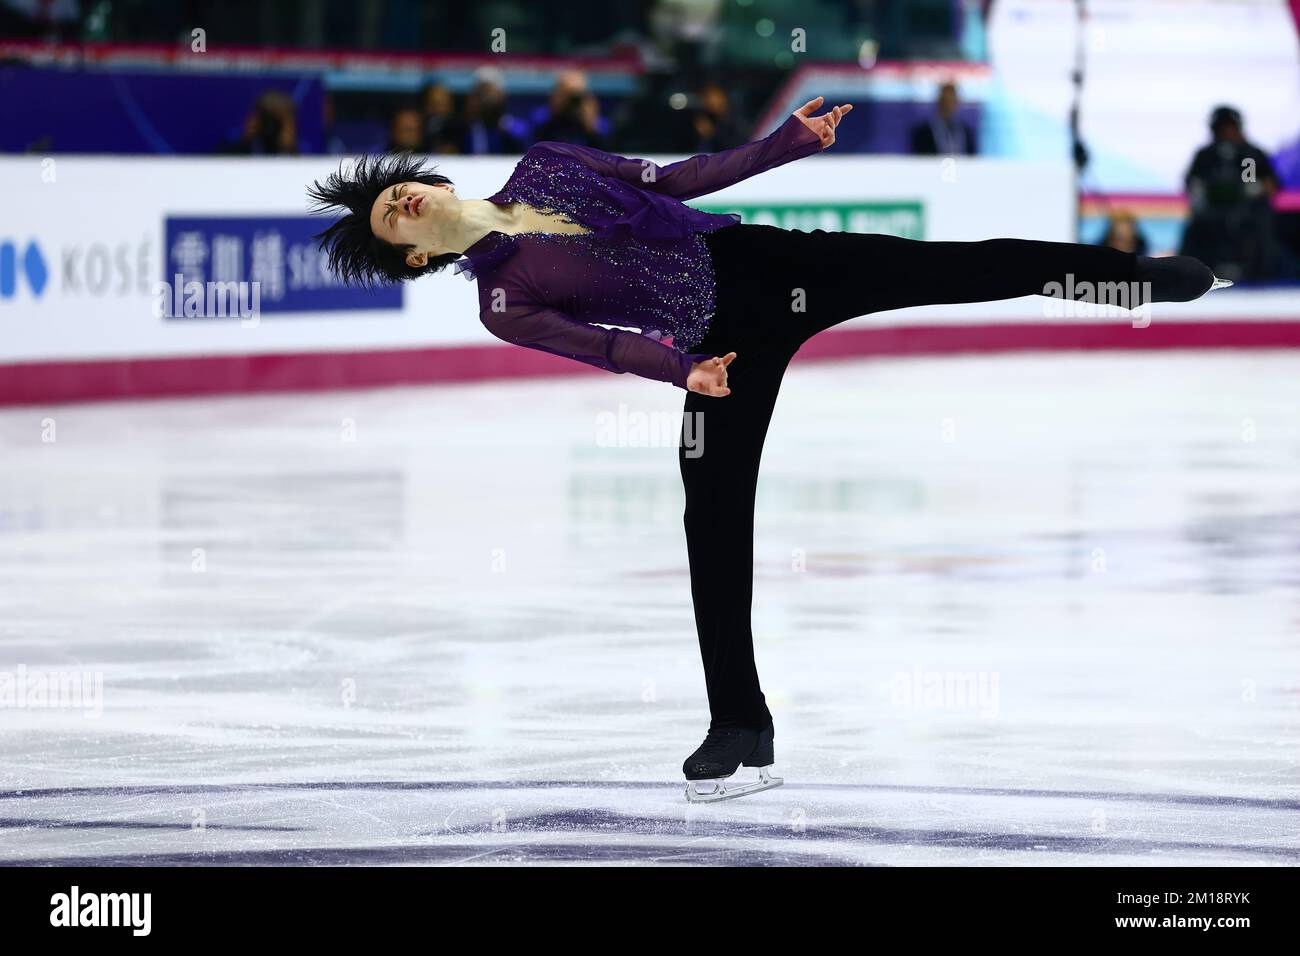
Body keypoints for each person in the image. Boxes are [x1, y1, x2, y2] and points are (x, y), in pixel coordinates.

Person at [307, 96, 1224, 803]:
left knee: (953, 265)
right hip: (713, 357)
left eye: (396, 190)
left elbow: (669, 180)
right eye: (393, 219)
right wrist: (685, 374)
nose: (403, 201)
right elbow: (604, 347)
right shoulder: (501, 303)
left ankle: (1135, 278)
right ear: (413, 257)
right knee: (708, 522)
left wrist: (783, 143)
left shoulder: (547, 163)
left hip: (769, 268)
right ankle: (739, 725)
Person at [1180, 105, 1279, 281]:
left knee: (1262, 230)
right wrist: (1201, 192)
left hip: (1249, 216)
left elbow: (1272, 185)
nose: (1226, 132)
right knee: (1195, 231)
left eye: (1230, 127)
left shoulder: (1251, 154)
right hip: (1211, 215)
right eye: (1221, 128)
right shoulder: (1206, 155)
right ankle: (1192, 277)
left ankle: (1262, 277)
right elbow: (1191, 183)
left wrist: (1255, 188)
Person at [910, 81, 976, 156]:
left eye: (951, 101)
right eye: (945, 101)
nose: (948, 105)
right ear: (939, 101)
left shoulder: (966, 131)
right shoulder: (923, 131)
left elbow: (972, 158)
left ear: (957, 102)